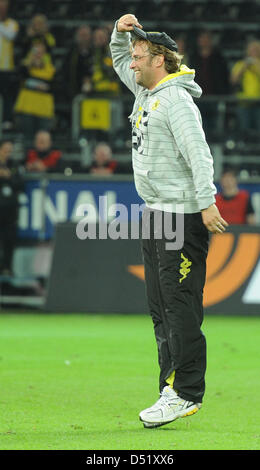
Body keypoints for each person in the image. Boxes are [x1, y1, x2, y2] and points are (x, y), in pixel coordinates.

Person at [110, 14, 228, 429]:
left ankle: (186, 392)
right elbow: (117, 60)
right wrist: (120, 33)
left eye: (139, 56)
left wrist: (207, 202)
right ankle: (169, 388)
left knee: (179, 308)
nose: (132, 63)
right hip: (155, 214)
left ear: (159, 60)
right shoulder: (149, 92)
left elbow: (199, 154)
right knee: (160, 308)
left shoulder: (177, 103)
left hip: (181, 217)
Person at [190, 30, 230, 138]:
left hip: (215, 97)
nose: (205, 41)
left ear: (211, 41)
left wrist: (223, 94)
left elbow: (224, 77)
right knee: (199, 126)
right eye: (202, 38)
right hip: (198, 97)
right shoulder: (194, 57)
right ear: (199, 41)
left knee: (215, 127)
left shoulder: (219, 57)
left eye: (207, 38)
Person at [14, 43, 56, 143]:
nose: (38, 55)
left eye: (41, 52)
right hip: (27, 108)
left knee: (43, 139)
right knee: (27, 139)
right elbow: (20, 77)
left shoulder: (50, 67)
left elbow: (52, 84)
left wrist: (31, 81)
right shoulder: (24, 66)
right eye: (35, 52)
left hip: (44, 109)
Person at [0, 140, 23, 275]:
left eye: (10, 151)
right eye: (5, 150)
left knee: (9, 240)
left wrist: (8, 177)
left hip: (10, 210)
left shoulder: (15, 167)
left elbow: (20, 184)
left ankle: (7, 267)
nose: (8, 154)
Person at [230, 40, 260, 135]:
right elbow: (233, 80)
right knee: (244, 131)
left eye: (256, 50)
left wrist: (256, 65)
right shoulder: (240, 64)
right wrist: (244, 67)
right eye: (251, 50)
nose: (253, 52)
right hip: (243, 102)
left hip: (258, 102)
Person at [0, 0, 19, 129]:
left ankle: (6, 120)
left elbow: (10, 35)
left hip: (6, 67)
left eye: (3, 6)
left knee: (6, 95)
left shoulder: (12, 24)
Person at [63, 25, 93, 99]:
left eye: (85, 35)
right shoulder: (71, 53)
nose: (83, 38)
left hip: (93, 91)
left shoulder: (94, 52)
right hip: (73, 90)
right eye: (81, 35)